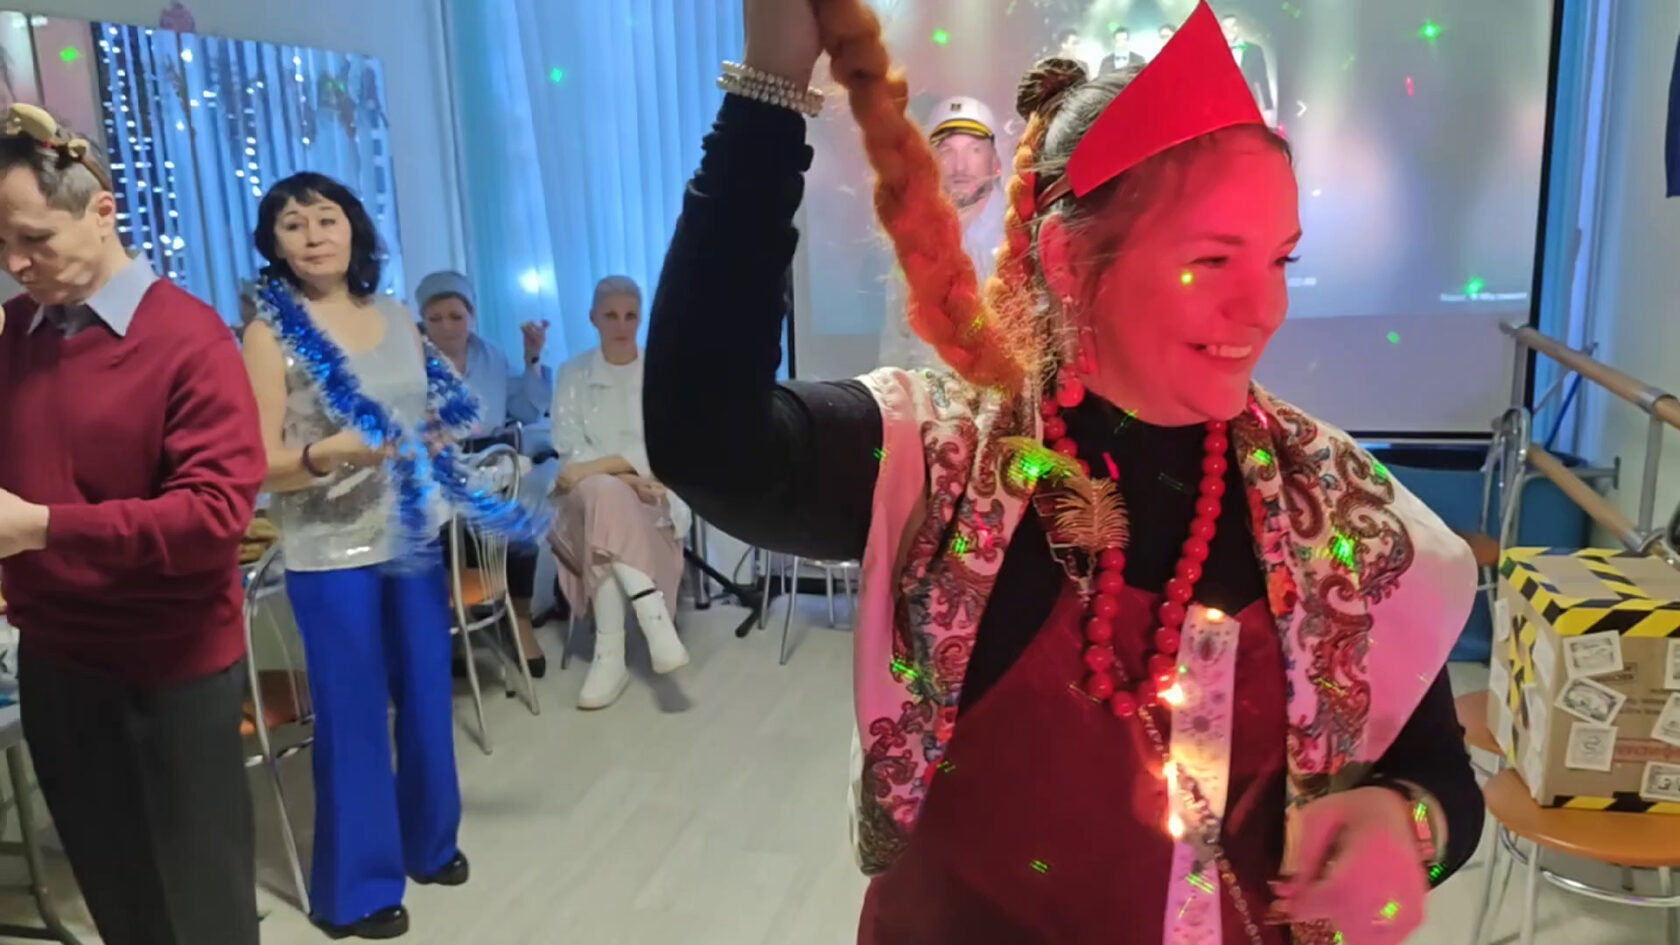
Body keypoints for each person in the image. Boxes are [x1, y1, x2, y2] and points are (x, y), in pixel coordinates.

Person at [645, 3, 1483, 944]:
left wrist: (1408, 825)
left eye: (1280, 258)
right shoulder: (944, 461)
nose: (1264, 308)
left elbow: (1443, 781)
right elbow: (704, 439)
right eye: (1213, 259)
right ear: (1068, 257)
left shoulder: (1328, 501)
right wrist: (769, 92)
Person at [0, 104, 263, 944]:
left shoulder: (188, 337)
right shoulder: (18, 334)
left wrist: (43, 528)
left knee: (199, 907)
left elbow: (213, 516)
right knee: (119, 899)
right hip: (54, 659)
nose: (14, 264)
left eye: (34, 239)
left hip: (168, 668)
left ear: (102, 210)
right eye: (0, 243)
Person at [241, 172, 467, 940]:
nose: (313, 236)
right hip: (329, 548)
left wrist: (433, 433)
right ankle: (358, 889)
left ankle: (430, 843)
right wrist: (328, 452)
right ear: (275, 244)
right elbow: (256, 462)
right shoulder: (269, 333)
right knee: (355, 713)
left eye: (326, 218)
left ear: (354, 228)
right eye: (293, 225)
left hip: (412, 531)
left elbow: (427, 409)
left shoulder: (396, 314)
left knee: (430, 695)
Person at [549, 275, 690, 710]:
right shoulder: (572, 373)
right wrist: (622, 477)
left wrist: (606, 472)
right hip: (586, 497)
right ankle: (652, 618)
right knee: (603, 496)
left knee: (605, 509)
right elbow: (568, 450)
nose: (621, 325)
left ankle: (609, 656)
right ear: (593, 318)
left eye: (631, 315)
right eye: (611, 315)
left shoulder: (661, 375)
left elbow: (667, 447)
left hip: (653, 492)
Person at [416, 269, 552, 675]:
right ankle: (447, 631)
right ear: (422, 319)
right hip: (434, 471)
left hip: (491, 468)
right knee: (436, 541)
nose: (446, 326)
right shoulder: (410, 361)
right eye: (435, 318)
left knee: (520, 533)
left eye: (456, 316)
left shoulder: (491, 355)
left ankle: (520, 621)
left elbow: (526, 410)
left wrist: (532, 360)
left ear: (472, 316)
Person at [878, 96, 1005, 371]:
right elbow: (896, 346)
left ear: (996, 161)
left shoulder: (1020, 235)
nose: (960, 167)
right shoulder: (914, 241)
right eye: (946, 151)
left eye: (974, 150)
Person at [1222, 13, 1276, 126]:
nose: (1229, 30)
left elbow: (1262, 79)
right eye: (1225, 27)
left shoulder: (1254, 50)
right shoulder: (1215, 51)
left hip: (1248, 106)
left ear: (1238, 27)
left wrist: (1268, 106)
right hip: (1222, 108)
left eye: (1233, 26)